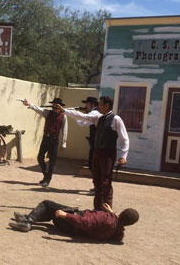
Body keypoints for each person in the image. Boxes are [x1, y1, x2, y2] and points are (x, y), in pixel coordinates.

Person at [56, 96, 129, 210]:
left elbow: (124, 139)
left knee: (105, 182)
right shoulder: (98, 118)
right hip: (97, 152)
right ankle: (97, 208)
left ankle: (107, 209)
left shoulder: (116, 119)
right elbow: (82, 117)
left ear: (107, 106)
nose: (98, 106)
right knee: (97, 180)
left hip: (108, 154)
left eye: (100, 104)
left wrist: (123, 156)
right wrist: (65, 111)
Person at [9, 199, 139, 242]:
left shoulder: (106, 219)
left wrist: (65, 215)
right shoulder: (118, 232)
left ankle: (27, 221)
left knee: (47, 204)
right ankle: (28, 219)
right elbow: (116, 224)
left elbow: (85, 222)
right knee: (51, 213)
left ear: (122, 213)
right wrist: (111, 212)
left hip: (70, 224)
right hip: (75, 230)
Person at [22, 98, 68, 187]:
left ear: (59, 106)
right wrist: (29, 104)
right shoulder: (48, 113)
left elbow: (65, 130)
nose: (54, 106)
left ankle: (47, 179)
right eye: (53, 104)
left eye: (56, 105)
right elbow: (39, 109)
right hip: (46, 138)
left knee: (52, 161)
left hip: (54, 140)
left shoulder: (64, 116)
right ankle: (46, 176)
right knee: (40, 157)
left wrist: (63, 143)